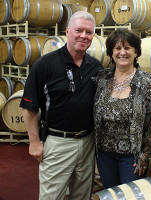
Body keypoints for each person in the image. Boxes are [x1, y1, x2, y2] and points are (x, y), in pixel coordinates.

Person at [20, 11, 103, 199]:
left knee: (82, 195)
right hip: (58, 142)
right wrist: (34, 142)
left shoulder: (95, 66)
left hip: (87, 142)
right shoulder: (45, 64)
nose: (84, 36)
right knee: (52, 196)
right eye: (78, 30)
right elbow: (29, 106)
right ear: (67, 31)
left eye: (89, 32)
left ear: (93, 36)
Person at [93, 29, 151, 189]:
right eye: (117, 48)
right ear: (111, 52)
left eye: (127, 48)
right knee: (110, 193)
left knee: (131, 195)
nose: (122, 52)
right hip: (104, 153)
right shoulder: (102, 78)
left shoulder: (147, 82)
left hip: (132, 156)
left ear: (136, 51)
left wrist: (145, 154)